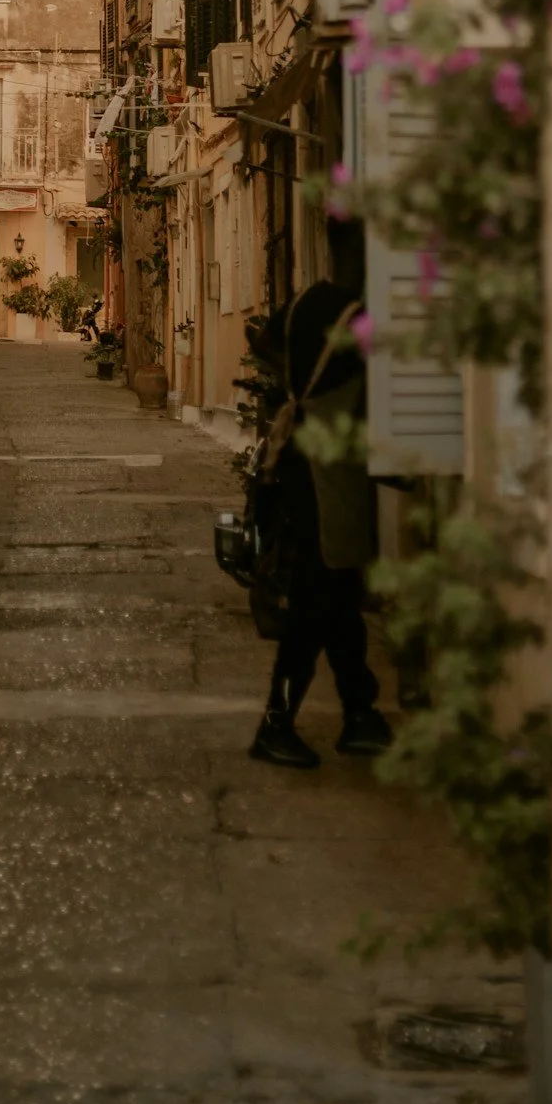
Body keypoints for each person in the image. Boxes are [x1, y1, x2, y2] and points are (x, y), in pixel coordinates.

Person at [249, 223, 393, 770]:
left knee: (337, 591)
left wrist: (297, 389)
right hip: (330, 472)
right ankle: (276, 722)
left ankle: (360, 713)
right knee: (317, 596)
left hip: (300, 460)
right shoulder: (359, 318)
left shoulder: (307, 301)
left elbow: (263, 342)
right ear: (359, 248)